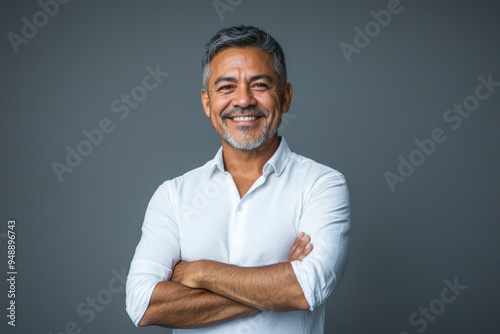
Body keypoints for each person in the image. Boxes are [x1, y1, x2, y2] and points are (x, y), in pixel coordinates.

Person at [125, 25, 351, 333]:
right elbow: (143, 305)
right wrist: (280, 279)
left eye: (259, 85)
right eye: (226, 87)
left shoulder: (321, 185)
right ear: (207, 102)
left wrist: (202, 272)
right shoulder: (173, 195)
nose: (243, 100)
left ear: (285, 98)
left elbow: (304, 290)